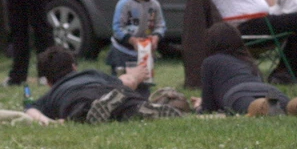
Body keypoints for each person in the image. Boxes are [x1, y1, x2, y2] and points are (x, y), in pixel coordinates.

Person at [24, 46, 182, 124]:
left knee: (81, 114)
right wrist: (136, 76)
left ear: (48, 81)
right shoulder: (91, 74)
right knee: (127, 105)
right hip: (108, 91)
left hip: (76, 99)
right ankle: (141, 108)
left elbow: (30, 110)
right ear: (74, 67)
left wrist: (48, 122)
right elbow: (126, 82)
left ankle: (93, 111)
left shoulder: (54, 93)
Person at [191, 23, 297, 116]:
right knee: (290, 107)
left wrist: (198, 107)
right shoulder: (248, 60)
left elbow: (209, 108)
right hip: (268, 90)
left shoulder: (210, 62)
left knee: (254, 108)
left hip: (237, 93)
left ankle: (266, 106)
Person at [105, 0, 166, 74]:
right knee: (121, 84)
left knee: (144, 84)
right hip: (122, 52)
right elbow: (117, 28)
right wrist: (131, 40)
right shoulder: (124, 4)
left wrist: (156, 37)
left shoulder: (154, 5)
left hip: (145, 52)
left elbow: (160, 25)